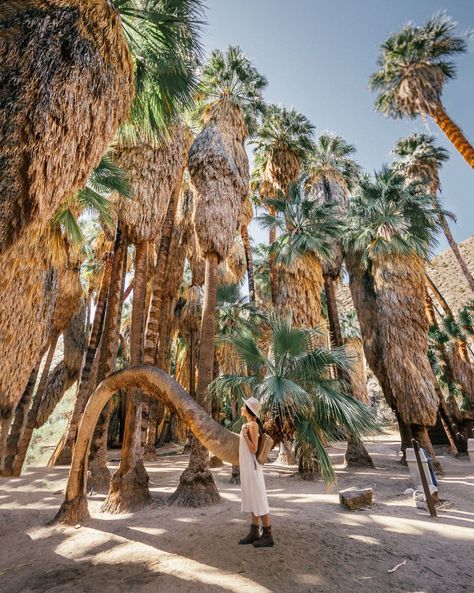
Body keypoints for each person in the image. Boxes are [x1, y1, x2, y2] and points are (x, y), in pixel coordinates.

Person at [238, 396, 274, 547]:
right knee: (253, 498)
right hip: (248, 467)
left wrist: (245, 435)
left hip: (252, 467)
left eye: (243, 405)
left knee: (259, 499)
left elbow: (253, 449)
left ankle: (267, 535)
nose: (241, 407)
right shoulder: (249, 424)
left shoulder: (252, 426)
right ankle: (254, 532)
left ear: (248, 409)